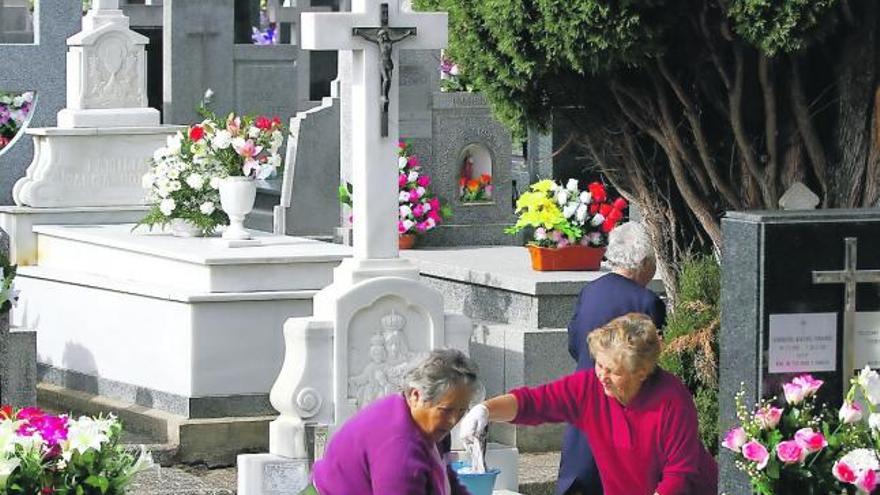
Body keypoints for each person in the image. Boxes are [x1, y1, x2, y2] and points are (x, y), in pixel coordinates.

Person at [459, 313, 717, 495]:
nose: (602, 375)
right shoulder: (588, 388)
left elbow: (679, 474)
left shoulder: (671, 398)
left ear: (641, 372)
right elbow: (534, 402)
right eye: (599, 365)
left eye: (613, 370)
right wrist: (486, 410)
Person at [561, 220, 667, 495]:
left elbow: (574, 343)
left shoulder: (591, 291)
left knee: (579, 481)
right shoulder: (648, 303)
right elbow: (653, 362)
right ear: (644, 262)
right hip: (624, 408)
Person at [303, 348, 480, 495]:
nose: (453, 420)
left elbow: (449, 482)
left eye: (461, 411)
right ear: (416, 395)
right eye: (445, 410)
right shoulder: (398, 448)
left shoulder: (432, 428)